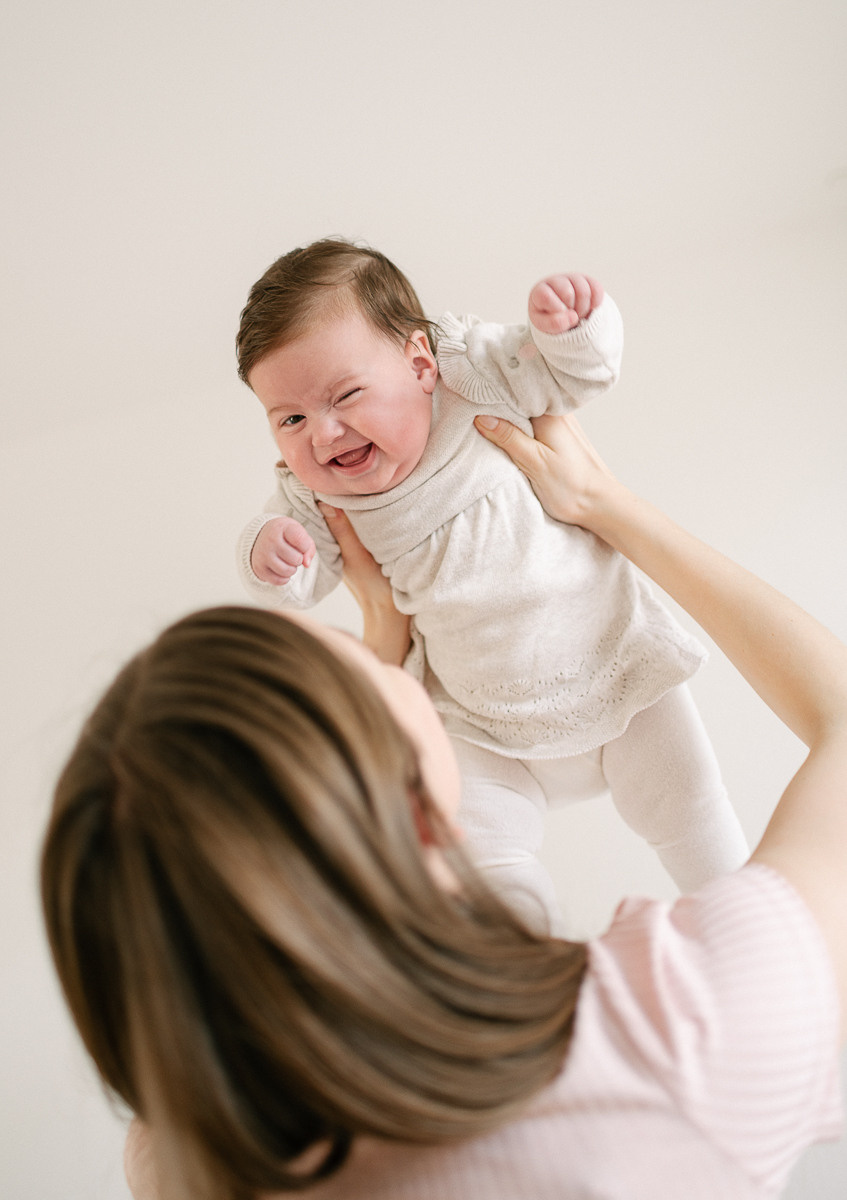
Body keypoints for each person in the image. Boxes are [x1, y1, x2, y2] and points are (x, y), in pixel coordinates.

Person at [42, 413, 844, 1200]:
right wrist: (607, 506)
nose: (385, 659)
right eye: (372, 670)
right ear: (424, 815)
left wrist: (384, 634)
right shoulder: (674, 1030)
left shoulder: (186, 1161)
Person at [233, 238, 748, 930]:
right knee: (482, 852)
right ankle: (521, 959)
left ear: (419, 363)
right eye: (290, 419)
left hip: (611, 661)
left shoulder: (472, 373)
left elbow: (575, 377)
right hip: (479, 720)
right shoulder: (312, 495)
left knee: (688, 805)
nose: (322, 434)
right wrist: (271, 553)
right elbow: (295, 584)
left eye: (345, 396)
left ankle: (741, 920)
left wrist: (571, 331)